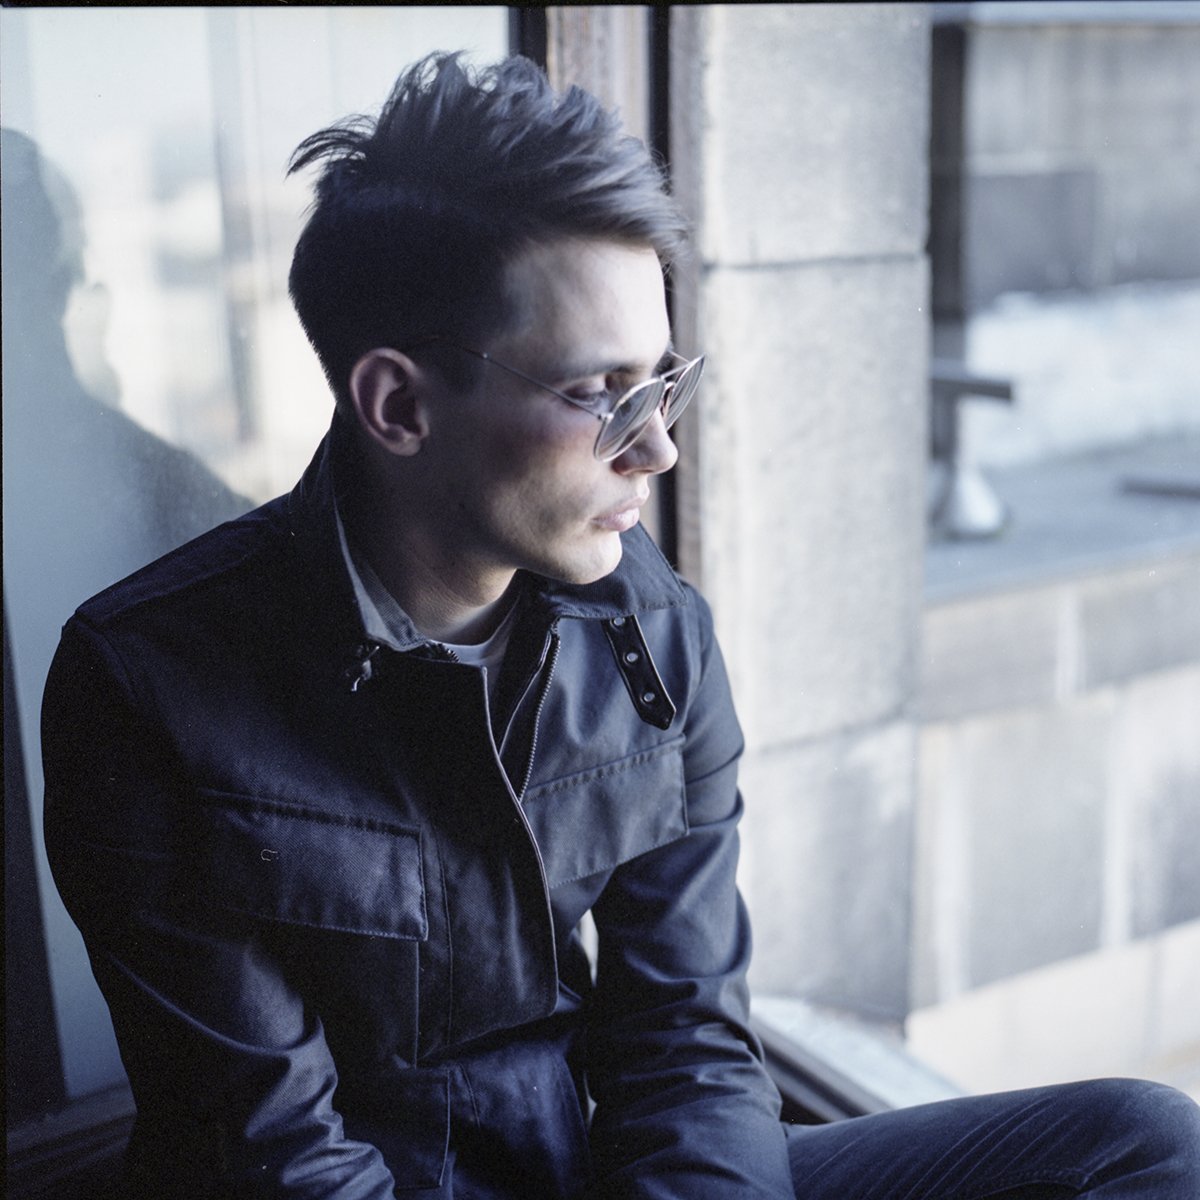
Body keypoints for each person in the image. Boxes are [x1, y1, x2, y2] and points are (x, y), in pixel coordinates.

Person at [42, 53, 1199, 1200]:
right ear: (399, 404)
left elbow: (686, 1043)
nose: (658, 448)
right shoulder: (146, 686)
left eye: (661, 382)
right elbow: (279, 1157)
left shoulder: (650, 630)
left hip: (591, 1168)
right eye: (601, 394)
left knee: (1142, 1144)